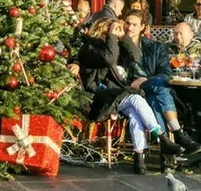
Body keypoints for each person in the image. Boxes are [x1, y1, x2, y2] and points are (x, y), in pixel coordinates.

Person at [77, 17, 182, 174]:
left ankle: (139, 157)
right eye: (110, 31)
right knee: (135, 98)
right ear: (102, 30)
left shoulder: (113, 46)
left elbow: (135, 56)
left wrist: (124, 37)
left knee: (134, 113)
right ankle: (161, 137)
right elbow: (108, 58)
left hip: (116, 96)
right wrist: (112, 36)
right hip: (97, 97)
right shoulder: (89, 48)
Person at [123, 9, 201, 155]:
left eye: (134, 24)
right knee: (160, 90)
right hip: (132, 91)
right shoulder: (119, 47)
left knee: (156, 94)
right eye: (127, 23)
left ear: (142, 27)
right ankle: (178, 133)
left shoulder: (155, 47)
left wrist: (147, 80)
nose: (130, 27)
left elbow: (166, 73)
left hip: (152, 88)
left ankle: (167, 152)